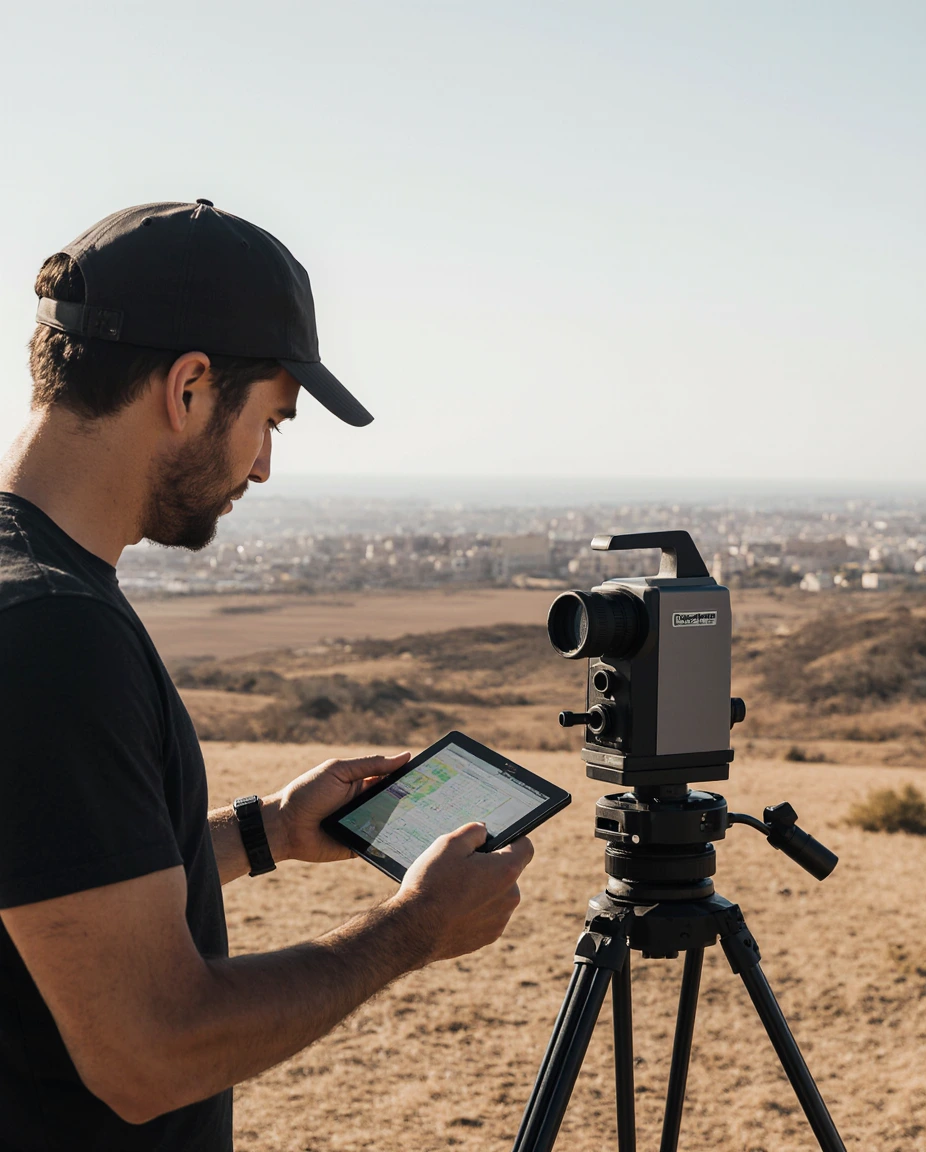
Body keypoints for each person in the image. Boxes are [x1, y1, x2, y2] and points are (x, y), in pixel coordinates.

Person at [0, 200, 534, 1152]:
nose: (267, 466)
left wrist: (268, 833)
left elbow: (55, 877)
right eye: (271, 421)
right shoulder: (53, 633)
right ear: (191, 387)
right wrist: (411, 928)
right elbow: (149, 1052)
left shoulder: (31, 590)